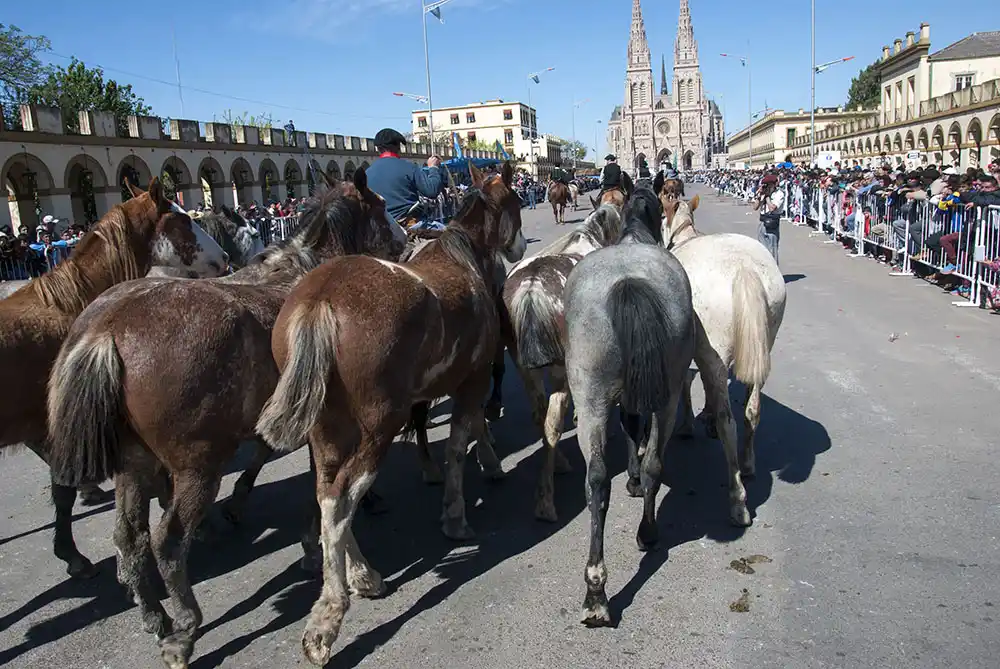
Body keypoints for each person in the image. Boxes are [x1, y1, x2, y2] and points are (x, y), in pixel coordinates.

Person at [364, 127, 445, 226]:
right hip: (409, 225)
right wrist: (433, 168)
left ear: (378, 149)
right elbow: (432, 190)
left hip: (379, 229)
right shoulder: (410, 168)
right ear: (398, 147)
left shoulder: (367, 173)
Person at [752, 173, 784, 263]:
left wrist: (767, 198)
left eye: (768, 185)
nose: (766, 187)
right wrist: (759, 197)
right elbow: (755, 207)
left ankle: (774, 273)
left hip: (772, 223)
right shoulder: (763, 193)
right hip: (762, 222)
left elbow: (772, 208)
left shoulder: (779, 194)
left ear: (773, 185)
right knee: (762, 249)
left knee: (772, 249)